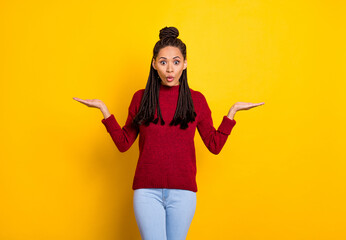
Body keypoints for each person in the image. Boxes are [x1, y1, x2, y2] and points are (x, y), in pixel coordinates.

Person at [73, 26, 264, 240]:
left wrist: (232, 113)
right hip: (147, 192)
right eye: (163, 62)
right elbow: (123, 143)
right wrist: (104, 111)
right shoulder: (141, 98)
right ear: (154, 64)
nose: (170, 69)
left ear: (185, 64)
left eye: (176, 62)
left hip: (183, 193)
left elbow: (214, 145)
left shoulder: (196, 100)